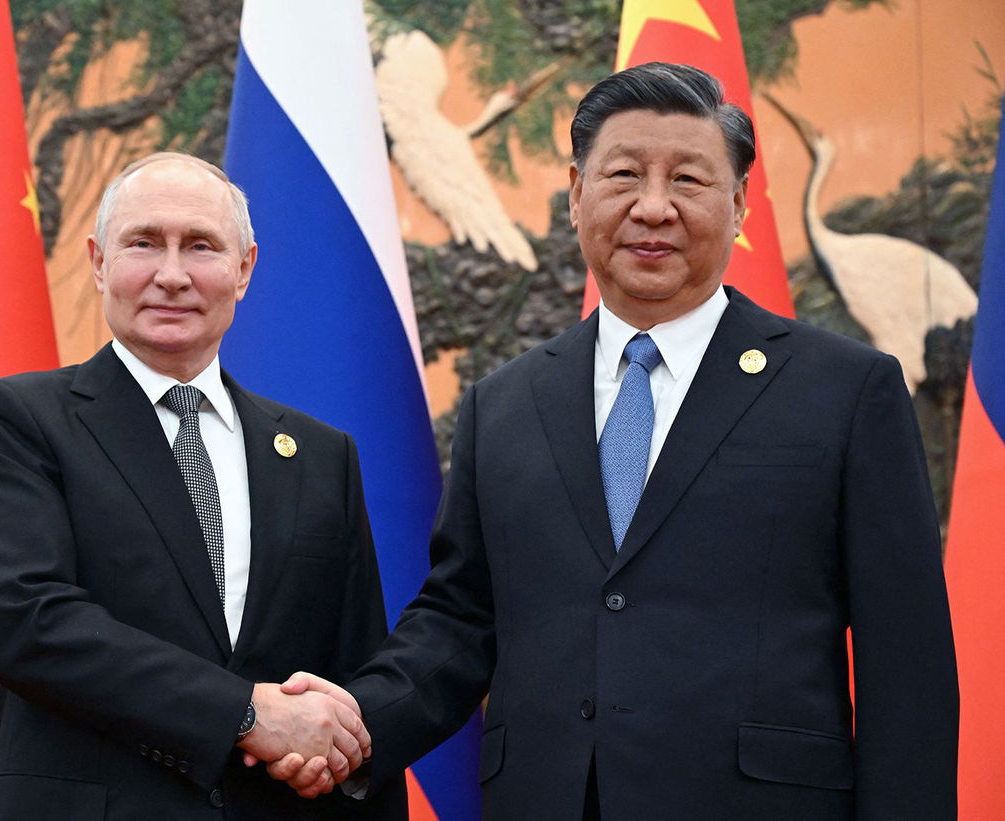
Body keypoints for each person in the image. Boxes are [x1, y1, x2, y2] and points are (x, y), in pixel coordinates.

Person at [271, 62, 959, 819]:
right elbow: (460, 621)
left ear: (737, 206)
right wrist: (355, 722)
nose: (653, 207)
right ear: (575, 194)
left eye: (690, 181)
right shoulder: (505, 403)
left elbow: (909, 662)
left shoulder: (846, 390)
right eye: (624, 174)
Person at [0, 152, 407, 820]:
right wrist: (245, 714)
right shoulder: (19, 419)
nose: (171, 275)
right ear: (99, 260)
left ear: (244, 268)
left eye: (200, 246)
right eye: (143, 243)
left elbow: (353, 677)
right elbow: (25, 621)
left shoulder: (320, 454)